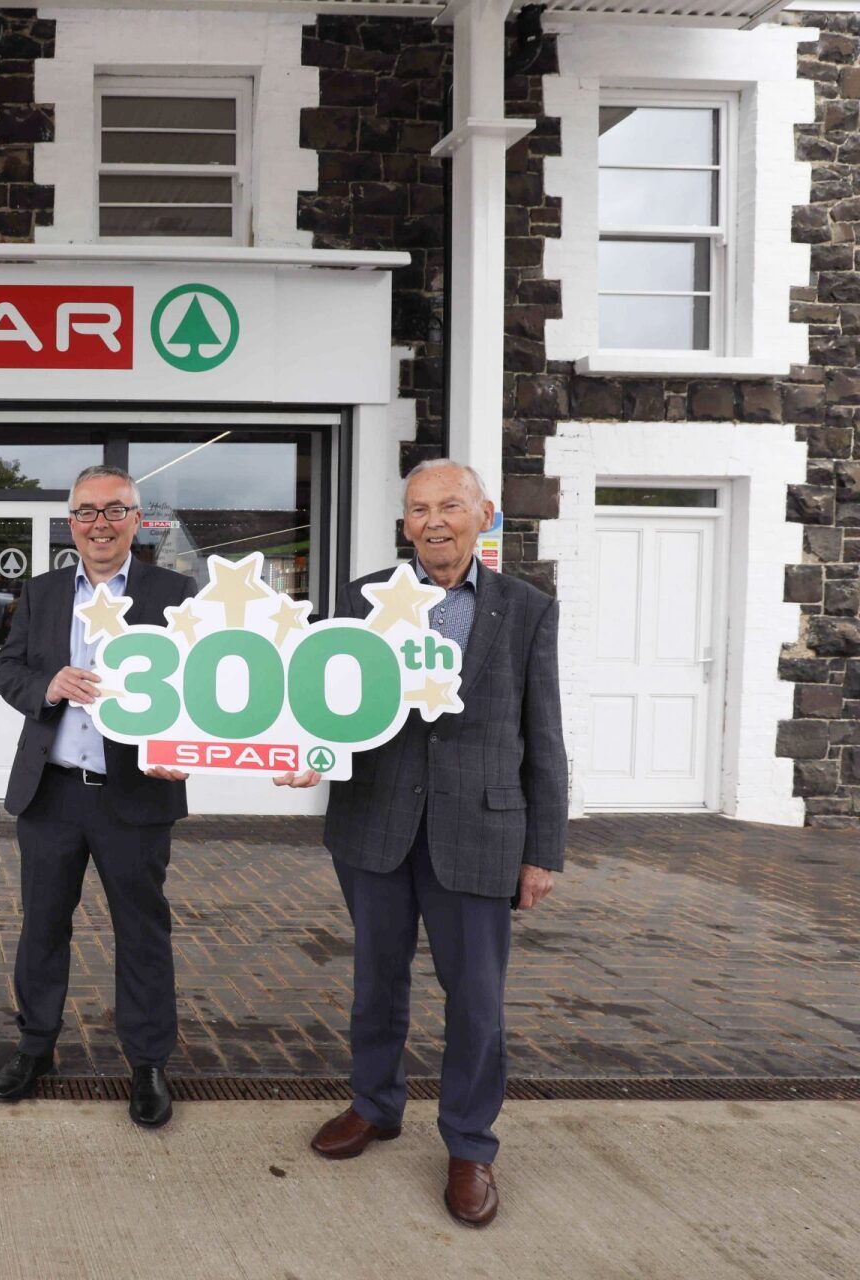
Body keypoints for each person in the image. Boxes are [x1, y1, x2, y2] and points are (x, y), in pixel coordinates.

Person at [276, 458, 567, 1227]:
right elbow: (321, 696)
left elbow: (544, 735)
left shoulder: (527, 610)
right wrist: (302, 752)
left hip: (480, 832)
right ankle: (374, 1105)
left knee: (475, 999)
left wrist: (544, 849)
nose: (433, 521)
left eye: (449, 506)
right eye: (418, 508)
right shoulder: (363, 599)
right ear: (404, 523)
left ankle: (470, 1144)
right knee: (376, 982)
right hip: (374, 824)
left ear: (484, 515)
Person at [0, 464, 197, 1128]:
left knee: (142, 932)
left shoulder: (175, 593)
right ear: (70, 522)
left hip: (135, 795)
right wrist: (47, 685)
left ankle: (149, 1064)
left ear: (137, 520)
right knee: (42, 927)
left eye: (113, 511)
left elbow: (202, 687)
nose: (99, 524)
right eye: (86, 512)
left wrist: (182, 747)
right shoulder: (44, 592)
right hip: (51, 792)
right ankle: (36, 1047)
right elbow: (6, 669)